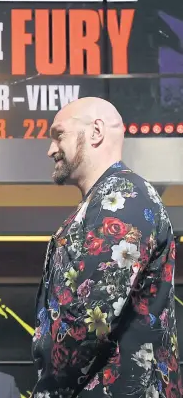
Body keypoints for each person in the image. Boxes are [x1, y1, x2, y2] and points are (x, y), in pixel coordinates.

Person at [32, 97, 182, 398]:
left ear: (96, 131)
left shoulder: (125, 197)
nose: (50, 149)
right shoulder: (100, 203)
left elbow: (93, 316)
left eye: (58, 135)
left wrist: (47, 390)